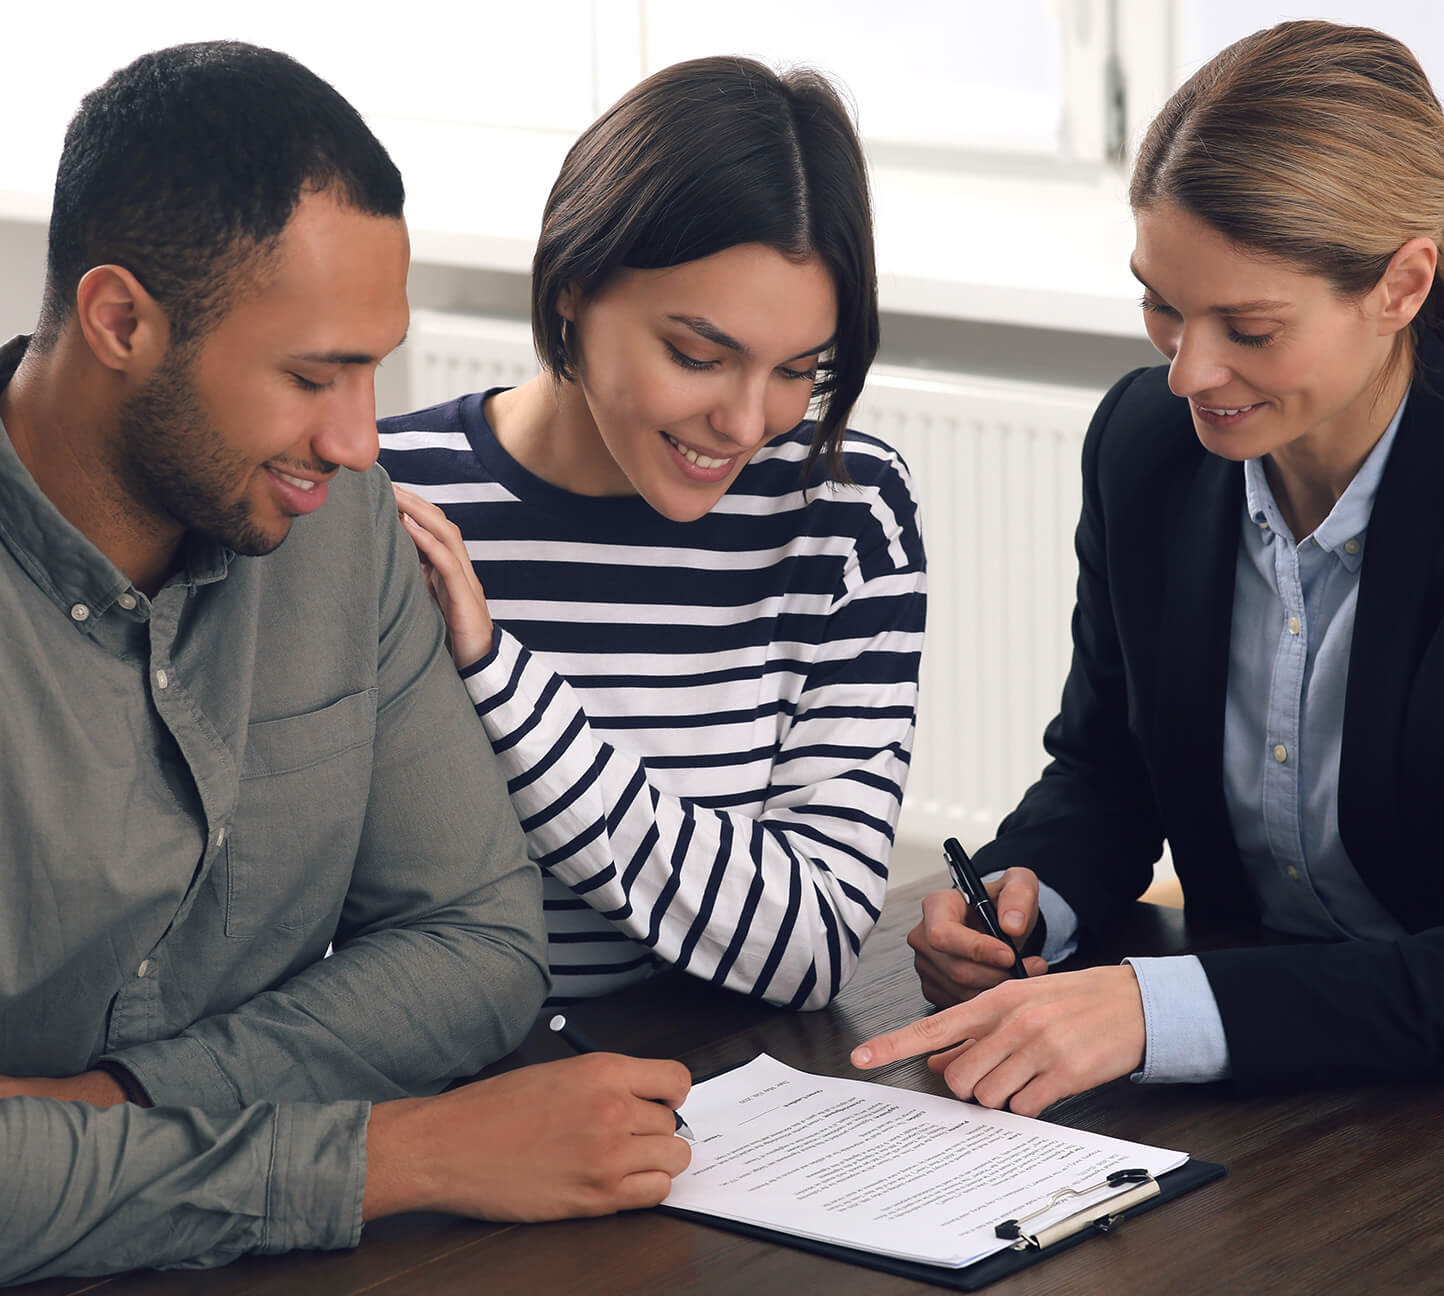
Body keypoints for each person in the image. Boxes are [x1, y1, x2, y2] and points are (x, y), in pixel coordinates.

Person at [0, 43, 688, 1284]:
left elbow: (478, 945)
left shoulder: (341, 526)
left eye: (373, 367)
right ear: (119, 323)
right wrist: (393, 1157)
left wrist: (102, 1108)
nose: (361, 439)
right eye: (314, 375)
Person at [854, 19, 1444, 1112]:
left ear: (1403, 285)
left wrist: (1154, 1011)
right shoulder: (1146, 447)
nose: (1187, 372)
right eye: (1161, 307)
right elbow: (1108, 768)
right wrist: (1028, 898)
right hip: (1268, 1089)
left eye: (1248, 327)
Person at [379, 57, 926, 1010]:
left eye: (802, 369)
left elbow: (815, 942)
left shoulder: (845, 510)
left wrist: (498, 683)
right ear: (572, 290)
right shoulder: (388, 505)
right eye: (698, 356)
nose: (749, 421)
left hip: (717, 1101)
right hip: (448, 1100)